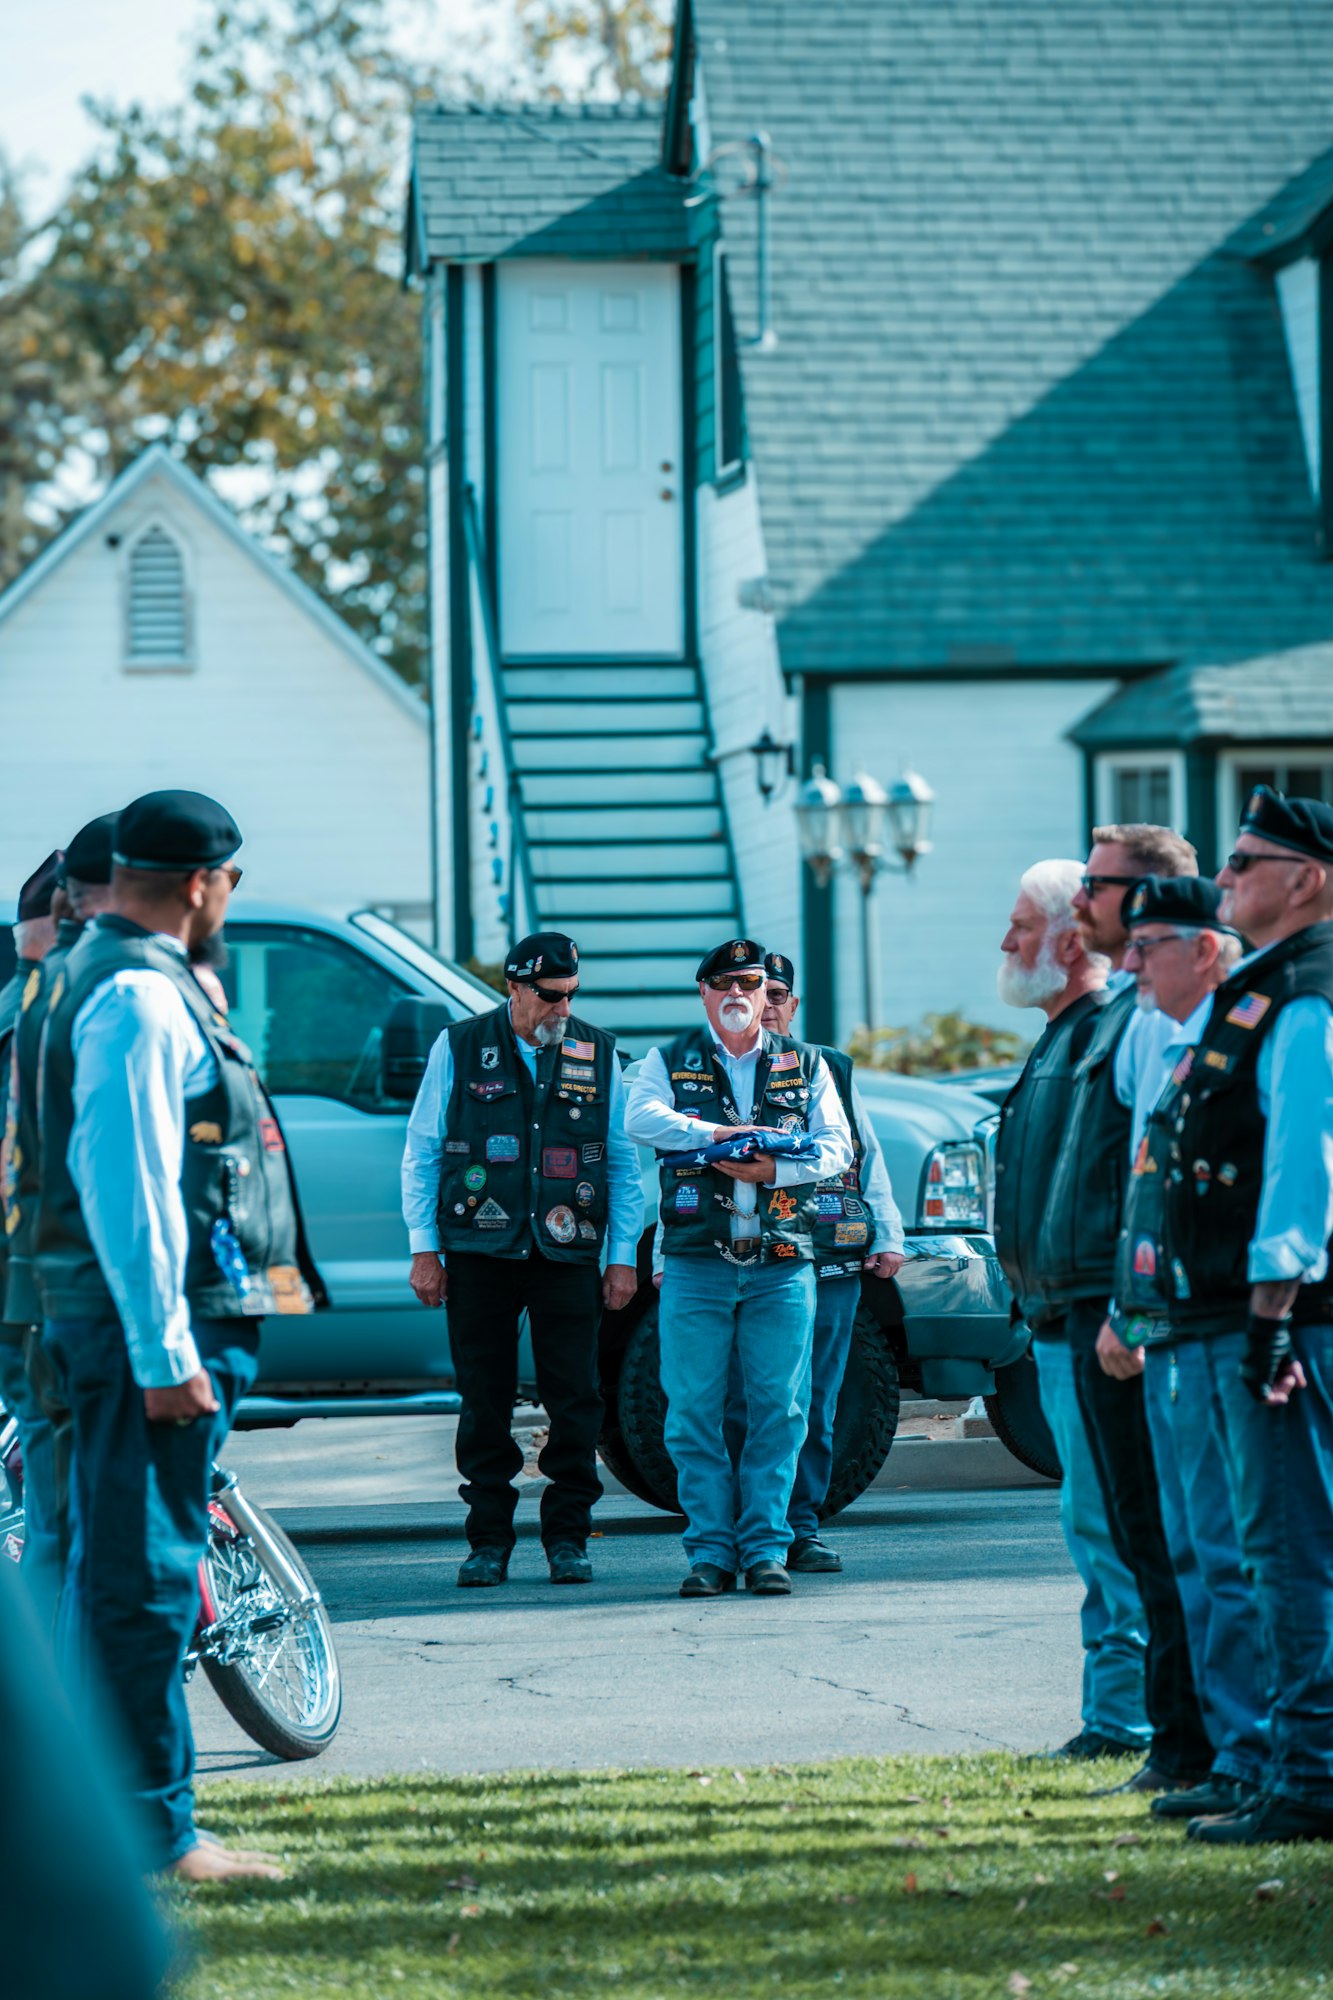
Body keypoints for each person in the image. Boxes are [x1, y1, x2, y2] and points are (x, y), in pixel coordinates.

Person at [36, 788, 321, 1882]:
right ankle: (154, 1835)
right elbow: (132, 1191)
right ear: (203, 883)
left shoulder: (100, 977)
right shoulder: (139, 998)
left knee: (119, 1571)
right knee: (144, 1579)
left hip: (123, 1328)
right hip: (145, 1336)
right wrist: (166, 1357)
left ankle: (112, 1819)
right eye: (230, 883)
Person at [1137, 787, 1333, 1846]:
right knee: (1269, 1545)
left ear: (1305, 878)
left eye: (1245, 862)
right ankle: (1283, 1763)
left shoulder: (1305, 990)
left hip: (1282, 1316)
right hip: (1241, 1306)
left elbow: (1302, 1161)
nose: (1223, 878)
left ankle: (1309, 1776)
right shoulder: (1266, 986)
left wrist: (1272, 1303)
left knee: (1288, 1547)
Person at [1040, 823, 1213, 1797]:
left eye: (1098, 884)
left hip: (1140, 1314)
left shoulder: (1147, 1016)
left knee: (1171, 1540)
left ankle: (1185, 1743)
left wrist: (1131, 1304)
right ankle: (1177, 1742)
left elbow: (1154, 1179)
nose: (1083, 903)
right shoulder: (1122, 1012)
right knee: (1153, 1539)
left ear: (1148, 895)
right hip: (1095, 1305)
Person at [1100, 875, 1267, 1827]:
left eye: (1148, 942)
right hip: (1170, 1323)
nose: (1127, 963)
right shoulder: (1179, 1042)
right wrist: (1133, 1309)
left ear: (1205, 948)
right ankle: (1229, 1749)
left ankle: (1257, 1755)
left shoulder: (1253, 1036)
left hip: (1226, 1323)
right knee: (1197, 1551)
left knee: (1237, 1551)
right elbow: (1148, 1200)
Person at [401, 931, 643, 1588]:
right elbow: (421, 1152)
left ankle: (568, 1538)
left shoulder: (598, 1052)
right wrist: (425, 1248)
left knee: (574, 1398)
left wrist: (621, 1257)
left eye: (570, 996)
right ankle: (488, 1542)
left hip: (567, 1253)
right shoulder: (458, 1046)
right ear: (514, 987)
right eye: (549, 997)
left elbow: (623, 1163)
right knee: (483, 1399)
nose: (562, 1009)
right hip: (478, 1250)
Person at [624, 939, 852, 1598]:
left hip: (782, 1260)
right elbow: (639, 1117)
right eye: (722, 983)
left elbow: (836, 1147)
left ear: (763, 992)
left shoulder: (805, 1063)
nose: (736, 994)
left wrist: (773, 1168)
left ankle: (764, 1548)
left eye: (749, 983)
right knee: (691, 1410)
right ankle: (709, 1553)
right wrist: (714, 1136)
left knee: (779, 1410)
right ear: (703, 992)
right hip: (697, 1262)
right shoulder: (670, 1058)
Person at [993, 859, 1151, 1761]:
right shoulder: (1062, 1032)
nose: (1005, 941)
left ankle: (1122, 1716)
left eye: (1020, 923)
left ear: (1067, 935)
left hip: (1095, 1315)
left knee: (1106, 1523)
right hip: (1056, 1315)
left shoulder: (1109, 1028)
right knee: (1090, 1523)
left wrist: (1118, 1308)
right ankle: (1120, 1709)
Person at [742, 950, 905, 1572]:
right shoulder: (710, 1066)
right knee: (750, 1397)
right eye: (755, 991)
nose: (769, 1003)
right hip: (747, 1260)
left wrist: (886, 1233)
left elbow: (866, 1152)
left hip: (828, 1255)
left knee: (817, 1397)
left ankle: (800, 1527)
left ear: (793, 1003)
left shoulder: (826, 1067)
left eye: (778, 993)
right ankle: (749, 1528)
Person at [1, 818, 118, 1631]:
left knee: (59, 1516)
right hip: (51, 1298)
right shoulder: (41, 1020)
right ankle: (68, 1726)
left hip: (31, 1296)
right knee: (71, 1527)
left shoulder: (25, 1007)